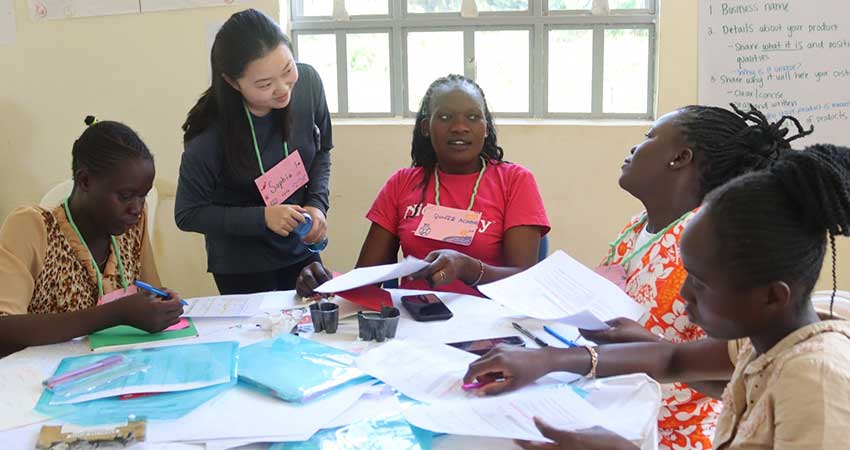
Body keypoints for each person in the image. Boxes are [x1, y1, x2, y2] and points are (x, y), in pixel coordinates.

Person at [464, 144, 850, 450]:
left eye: (700, 282)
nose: (685, 292)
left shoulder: (813, 379)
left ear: (771, 297)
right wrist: (548, 359)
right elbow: (672, 357)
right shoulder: (772, 335)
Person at [582, 104, 812, 449]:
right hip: (611, 407)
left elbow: (739, 375)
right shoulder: (640, 226)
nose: (634, 148)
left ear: (680, 157)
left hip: (674, 435)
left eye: (648, 138)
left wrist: (652, 346)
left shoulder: (710, 244)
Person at [296, 74, 549, 297]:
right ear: (427, 127)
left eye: (473, 117)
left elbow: (524, 281)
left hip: (492, 328)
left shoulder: (515, 181)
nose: (460, 127)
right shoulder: (402, 183)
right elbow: (367, 278)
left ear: (485, 128)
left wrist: (467, 267)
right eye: (446, 117)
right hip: (415, 323)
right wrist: (324, 282)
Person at [176, 8, 333, 295]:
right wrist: (262, 217)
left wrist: (317, 203)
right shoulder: (209, 133)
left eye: (287, 71)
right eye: (264, 84)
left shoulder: (308, 84)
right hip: (242, 263)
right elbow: (188, 213)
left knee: (314, 329)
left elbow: (322, 151)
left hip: (300, 246)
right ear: (233, 82)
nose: (283, 89)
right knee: (260, 337)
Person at [0, 117, 183, 357]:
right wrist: (115, 314)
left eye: (143, 196)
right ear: (85, 180)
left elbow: (150, 291)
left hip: (109, 369)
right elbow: (5, 329)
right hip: (35, 379)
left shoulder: (131, 225)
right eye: (126, 195)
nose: (136, 208)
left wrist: (162, 305)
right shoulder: (33, 226)